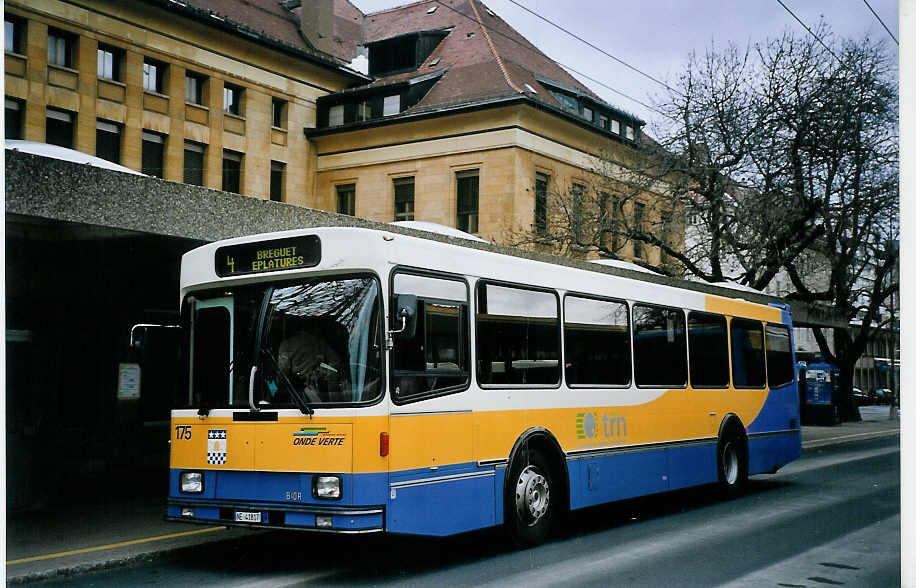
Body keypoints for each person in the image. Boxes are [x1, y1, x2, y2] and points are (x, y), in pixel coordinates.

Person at [277, 330, 344, 402]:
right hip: (318, 390)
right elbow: (335, 361)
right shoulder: (319, 342)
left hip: (298, 393)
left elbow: (283, 372)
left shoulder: (287, 344)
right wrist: (331, 380)